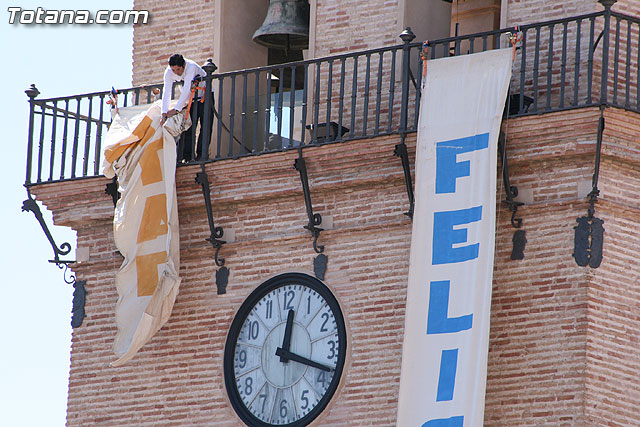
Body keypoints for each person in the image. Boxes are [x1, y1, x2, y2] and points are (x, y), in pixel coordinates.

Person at [161, 54, 212, 161]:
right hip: (191, 100)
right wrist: (164, 112)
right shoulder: (168, 72)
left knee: (205, 126)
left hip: (204, 96)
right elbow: (167, 92)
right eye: (174, 70)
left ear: (184, 64)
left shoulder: (191, 67)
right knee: (188, 127)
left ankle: (202, 155)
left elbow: (186, 89)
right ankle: (187, 156)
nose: (176, 72)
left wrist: (175, 110)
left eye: (178, 69)